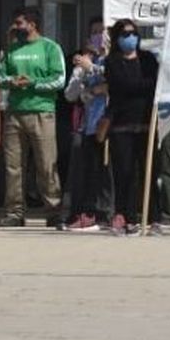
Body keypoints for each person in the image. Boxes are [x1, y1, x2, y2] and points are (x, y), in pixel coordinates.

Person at [0, 6, 66, 228]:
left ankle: (53, 210)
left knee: (46, 163)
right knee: (13, 166)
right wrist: (11, 82)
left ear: (32, 25)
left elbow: (59, 80)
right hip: (14, 112)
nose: (14, 28)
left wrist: (33, 83)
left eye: (19, 23)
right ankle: (15, 213)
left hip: (42, 112)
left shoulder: (50, 48)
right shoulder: (10, 49)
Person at [104, 19, 160, 235]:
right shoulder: (113, 62)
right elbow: (121, 86)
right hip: (121, 125)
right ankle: (126, 216)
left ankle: (153, 216)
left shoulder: (147, 59)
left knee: (149, 172)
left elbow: (154, 82)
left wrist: (142, 86)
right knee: (124, 173)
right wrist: (142, 85)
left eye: (133, 33)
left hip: (146, 122)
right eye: (125, 34)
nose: (130, 38)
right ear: (118, 38)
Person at [63, 43, 109, 231]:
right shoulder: (81, 69)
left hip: (108, 123)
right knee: (85, 173)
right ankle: (84, 213)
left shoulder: (109, 63)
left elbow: (114, 81)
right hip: (87, 126)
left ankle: (105, 214)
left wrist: (93, 69)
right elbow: (70, 95)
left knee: (106, 174)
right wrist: (81, 76)